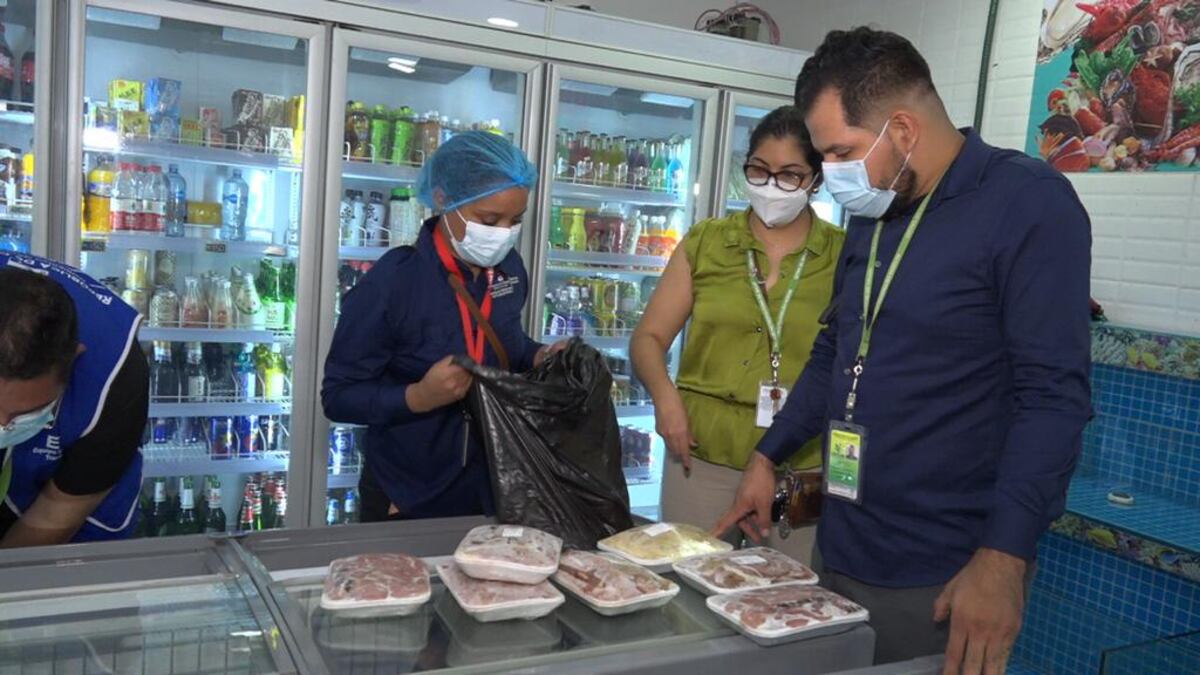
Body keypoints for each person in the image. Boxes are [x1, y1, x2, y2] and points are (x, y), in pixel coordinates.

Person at [713, 27, 1091, 673]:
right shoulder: (876, 211)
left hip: (943, 570)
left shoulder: (1027, 204)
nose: (832, 177)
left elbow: (1052, 397)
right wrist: (767, 455)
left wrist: (1003, 558)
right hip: (843, 544)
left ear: (904, 129)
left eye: (841, 152)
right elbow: (837, 349)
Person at [631, 106, 844, 563]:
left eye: (790, 175)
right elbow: (647, 339)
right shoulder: (707, 242)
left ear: (816, 180)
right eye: (759, 170)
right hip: (702, 454)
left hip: (797, 463)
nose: (771, 186)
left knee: (785, 597)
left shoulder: (842, 255)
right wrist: (665, 401)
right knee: (690, 583)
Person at [323, 131, 561, 522]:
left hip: (492, 484)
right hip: (407, 492)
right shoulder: (394, 282)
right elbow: (337, 396)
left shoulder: (510, 270)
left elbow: (508, 345)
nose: (502, 232)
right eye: (489, 219)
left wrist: (541, 355)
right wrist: (417, 397)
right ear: (443, 199)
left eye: (515, 221)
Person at [0, 252, 148, 547]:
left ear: (73, 360)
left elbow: (56, 515)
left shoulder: (115, 379)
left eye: (21, 415)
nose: (2, 426)